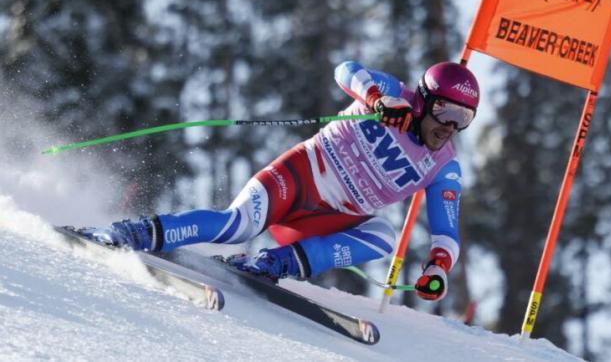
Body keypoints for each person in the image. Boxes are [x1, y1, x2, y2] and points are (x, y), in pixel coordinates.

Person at [84, 60, 479, 301]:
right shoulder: (395, 94)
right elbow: (346, 70)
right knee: (236, 225)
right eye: (445, 111)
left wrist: (437, 270)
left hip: (329, 220)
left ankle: (273, 264)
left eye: (463, 119)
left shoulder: (443, 165)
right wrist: (376, 99)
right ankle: (132, 233)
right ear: (425, 98)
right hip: (301, 177)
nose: (449, 127)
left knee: (384, 236)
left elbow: (446, 236)